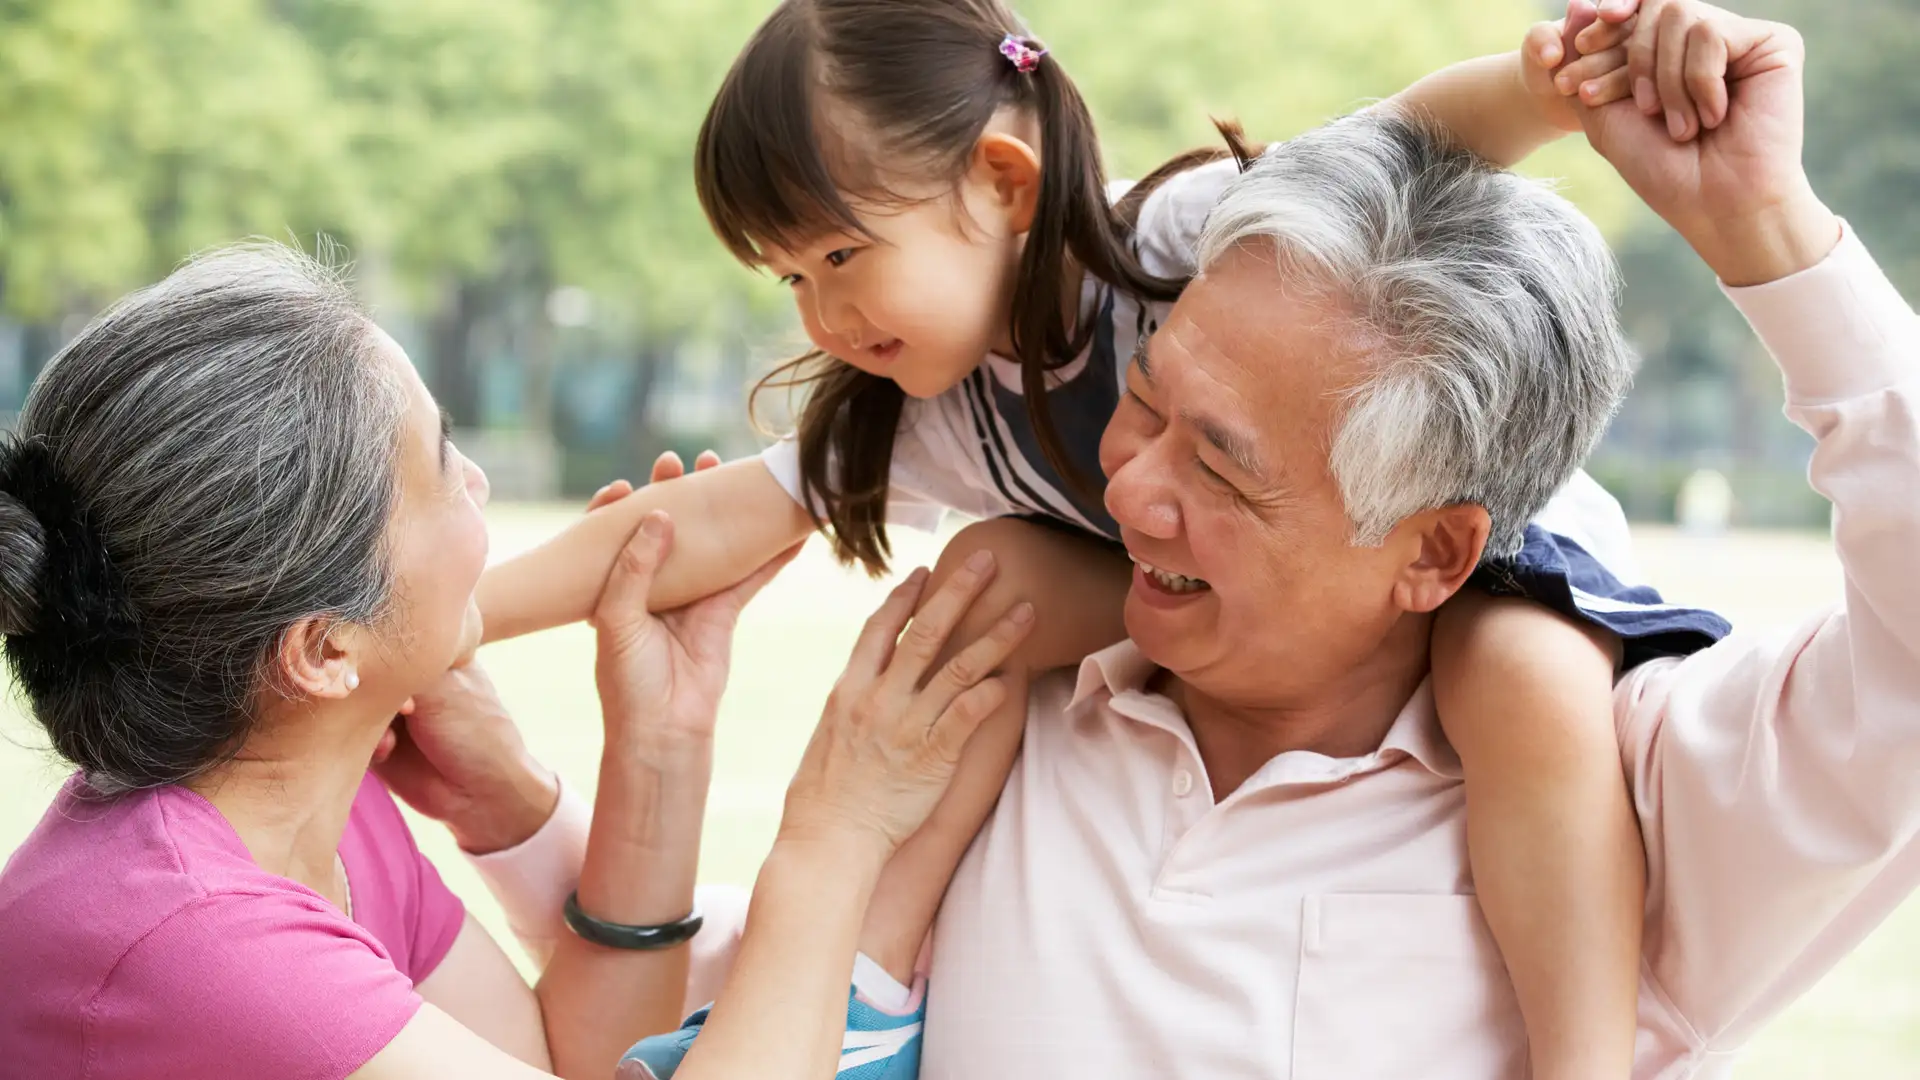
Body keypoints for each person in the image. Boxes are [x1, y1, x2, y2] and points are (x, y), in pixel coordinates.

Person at [480, 3, 1732, 1076]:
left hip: (1473, 532)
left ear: (1002, 180)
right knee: (982, 590)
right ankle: (870, 992)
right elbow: (706, 522)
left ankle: (1583, 1059)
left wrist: (1544, 92)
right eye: (791, 278)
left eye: (843, 253)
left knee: (1521, 677)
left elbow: (1403, 141)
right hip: (1220, 565)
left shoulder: (1172, 238)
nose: (823, 312)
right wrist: (453, 617)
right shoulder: (944, 409)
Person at [0, 244, 1038, 1080]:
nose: (481, 483)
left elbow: (571, 1059)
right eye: (442, 466)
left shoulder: (300, 810)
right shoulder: (195, 937)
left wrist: (658, 740)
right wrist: (836, 836)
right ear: (322, 649)